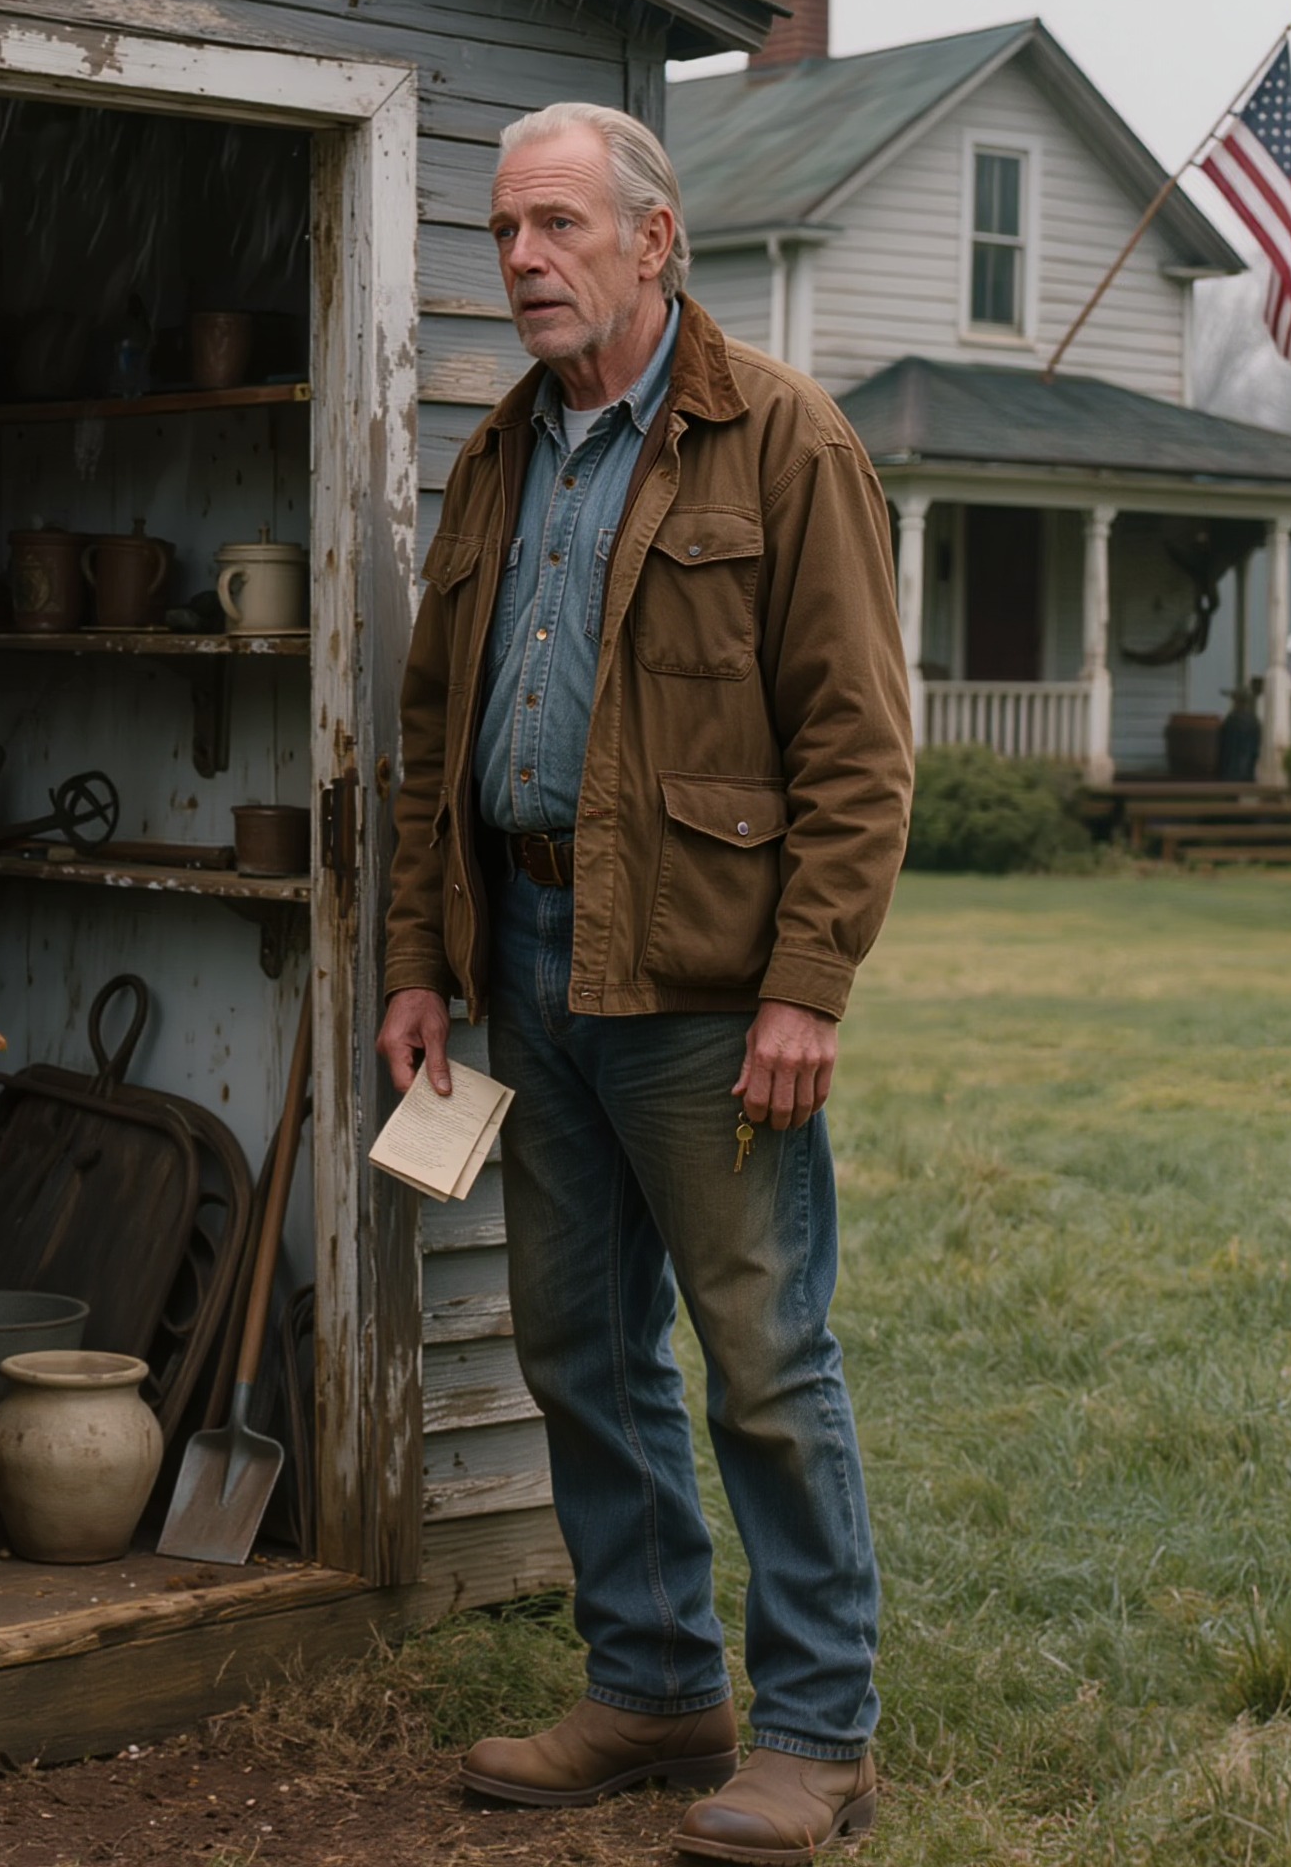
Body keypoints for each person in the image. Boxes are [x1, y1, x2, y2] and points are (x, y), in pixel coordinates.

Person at [378, 100, 912, 1864]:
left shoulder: (780, 440)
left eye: (554, 227)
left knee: (761, 1355)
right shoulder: (500, 453)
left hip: (703, 988)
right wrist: (418, 962)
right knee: (578, 1347)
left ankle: (819, 1731)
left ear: (653, 238)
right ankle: (655, 1682)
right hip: (526, 962)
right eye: (500, 231)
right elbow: (428, 737)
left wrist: (805, 987)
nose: (521, 260)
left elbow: (856, 746)